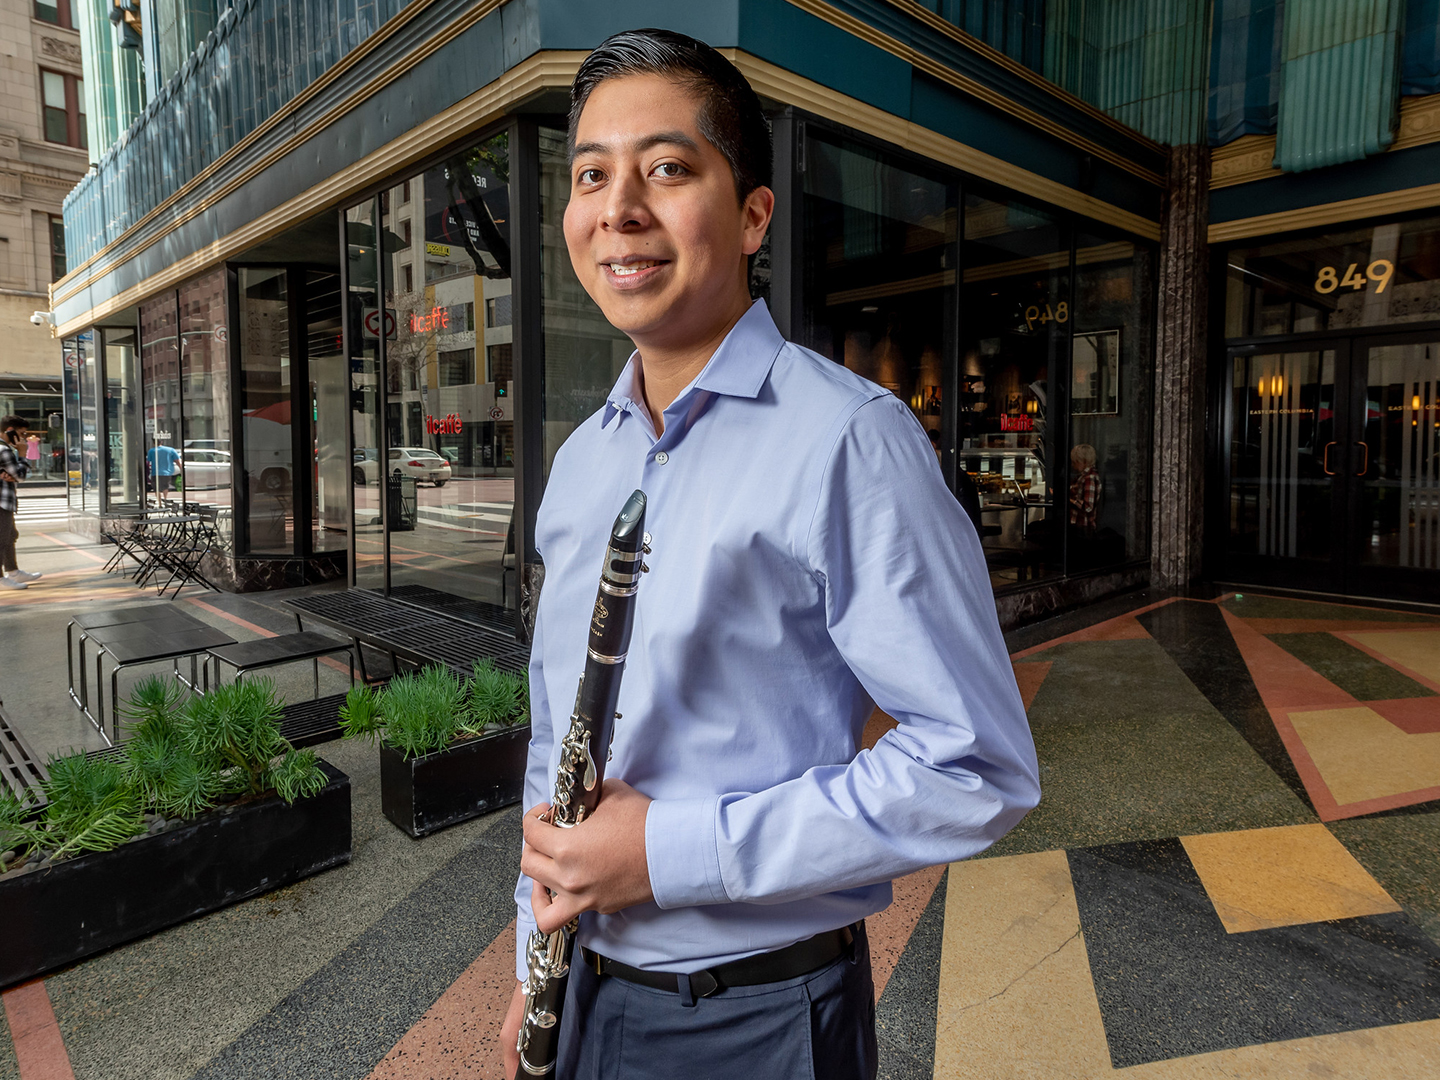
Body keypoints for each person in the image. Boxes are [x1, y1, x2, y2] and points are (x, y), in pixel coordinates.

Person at [501, 31, 1039, 1079]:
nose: (619, 209)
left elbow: (977, 765)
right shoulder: (580, 464)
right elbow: (550, 740)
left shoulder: (848, 439)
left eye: (666, 167)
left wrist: (666, 853)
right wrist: (534, 953)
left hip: (760, 1017)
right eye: (591, 176)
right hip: (584, 999)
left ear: (752, 215)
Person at [0, 416, 42, 589]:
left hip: (5, 501)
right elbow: (21, 476)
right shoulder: (4, 450)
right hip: (1, 501)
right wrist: (23, 454)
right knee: (2, 539)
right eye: (21, 433)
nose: (23, 438)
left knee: (10, 536)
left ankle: (13, 572)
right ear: (10, 430)